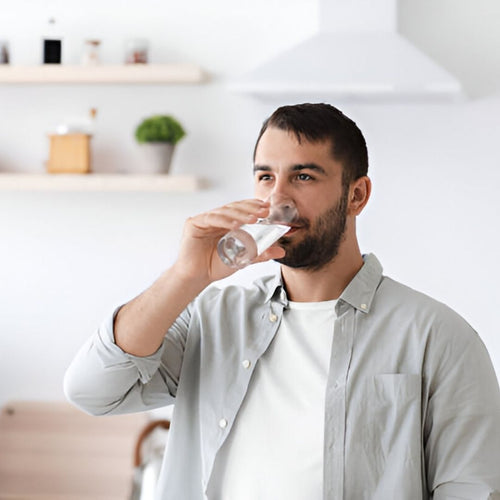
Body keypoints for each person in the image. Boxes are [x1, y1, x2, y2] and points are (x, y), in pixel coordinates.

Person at [64, 103, 500, 500]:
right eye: (266, 176)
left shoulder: (440, 339)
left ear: (357, 195)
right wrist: (185, 276)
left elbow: (471, 490)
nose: (278, 200)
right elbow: (92, 391)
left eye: (303, 176)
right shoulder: (213, 318)